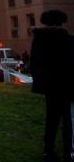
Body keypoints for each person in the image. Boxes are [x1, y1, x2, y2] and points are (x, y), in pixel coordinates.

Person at [31, 9, 73, 161]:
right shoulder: (67, 39)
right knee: (68, 120)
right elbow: (69, 62)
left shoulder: (38, 39)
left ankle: (48, 151)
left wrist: (40, 81)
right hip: (66, 85)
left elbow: (34, 63)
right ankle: (68, 152)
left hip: (49, 86)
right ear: (62, 22)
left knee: (51, 119)